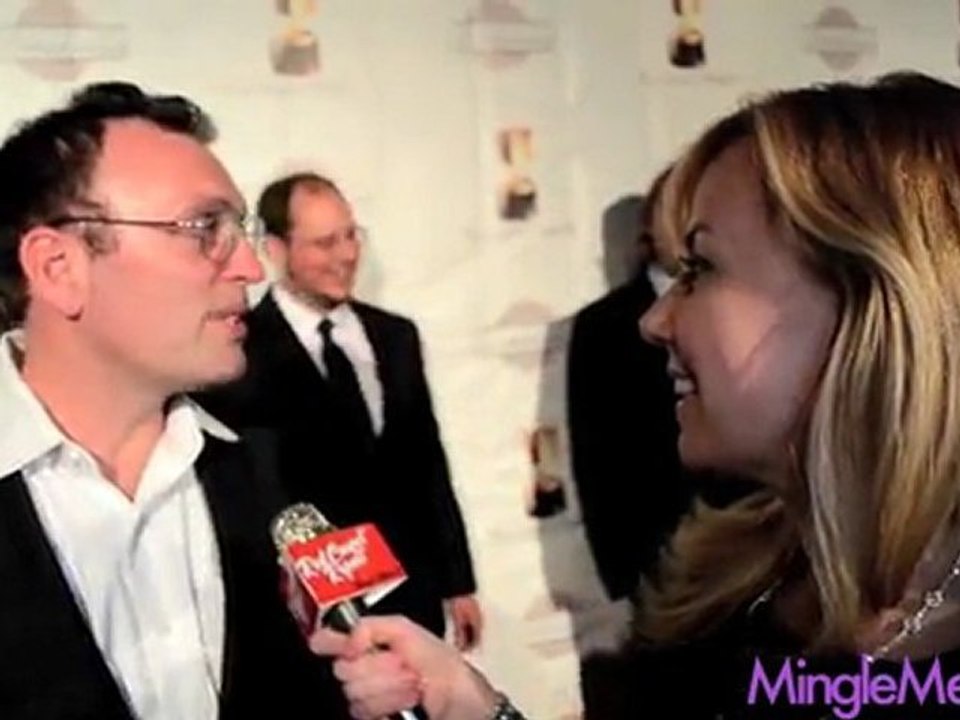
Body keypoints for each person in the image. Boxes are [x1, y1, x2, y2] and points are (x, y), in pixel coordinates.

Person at [311, 71, 960, 719]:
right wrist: (479, 709)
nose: (655, 321)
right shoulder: (725, 584)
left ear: (875, 301)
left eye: (702, 268)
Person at [0, 82, 353, 718]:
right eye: (202, 229)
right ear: (58, 267)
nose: (250, 267)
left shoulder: (268, 472)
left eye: (237, 229)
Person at [195, 172, 483, 649]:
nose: (346, 256)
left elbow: (425, 464)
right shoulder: (238, 350)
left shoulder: (395, 337)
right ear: (275, 249)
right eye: (325, 243)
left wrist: (457, 582)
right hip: (309, 620)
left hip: (412, 597)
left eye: (351, 236)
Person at [567, 168, 693, 601]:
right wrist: (625, 572)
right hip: (658, 560)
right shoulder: (600, 327)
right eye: (672, 210)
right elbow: (595, 455)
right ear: (648, 228)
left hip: (753, 546)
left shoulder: (736, 304)